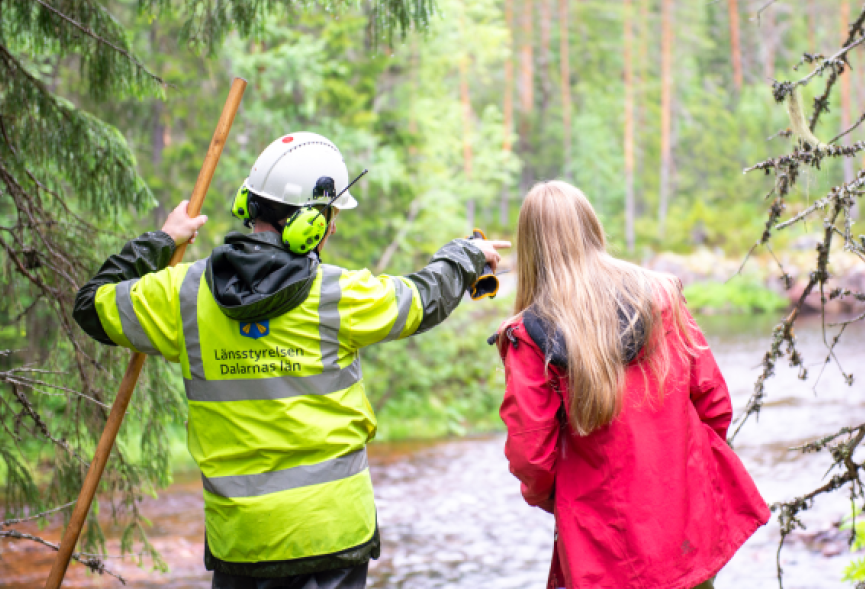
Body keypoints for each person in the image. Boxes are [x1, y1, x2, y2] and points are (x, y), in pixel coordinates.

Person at [73, 132, 509, 589]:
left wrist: (163, 239)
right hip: (332, 536)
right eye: (332, 215)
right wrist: (466, 255)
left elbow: (90, 304)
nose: (334, 227)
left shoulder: (182, 294)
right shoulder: (338, 295)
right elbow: (423, 298)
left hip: (241, 543)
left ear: (248, 204)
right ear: (311, 224)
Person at [496, 181, 770, 589]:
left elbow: (531, 457)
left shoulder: (530, 336)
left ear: (530, 247)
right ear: (592, 228)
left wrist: (564, 500)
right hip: (686, 529)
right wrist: (685, 473)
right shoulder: (659, 295)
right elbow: (713, 400)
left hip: (602, 543)